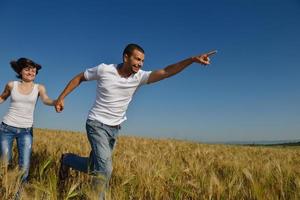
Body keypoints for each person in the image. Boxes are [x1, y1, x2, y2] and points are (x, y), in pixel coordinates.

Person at [55, 43, 216, 199]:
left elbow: (167, 71)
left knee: (93, 167)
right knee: (105, 169)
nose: (140, 64)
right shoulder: (105, 69)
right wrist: (62, 97)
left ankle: (67, 159)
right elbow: (79, 78)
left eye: (142, 61)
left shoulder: (139, 77)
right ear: (126, 57)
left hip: (114, 129)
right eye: (137, 59)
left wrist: (192, 60)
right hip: (96, 124)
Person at [0, 58, 56, 197]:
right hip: (6, 128)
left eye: (33, 69)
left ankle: (17, 196)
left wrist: (56, 102)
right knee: (5, 164)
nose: (31, 72)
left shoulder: (39, 88)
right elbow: (2, 98)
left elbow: (46, 99)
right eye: (27, 69)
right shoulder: (11, 85)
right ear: (20, 71)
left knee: (24, 167)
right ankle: (5, 191)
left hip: (26, 131)